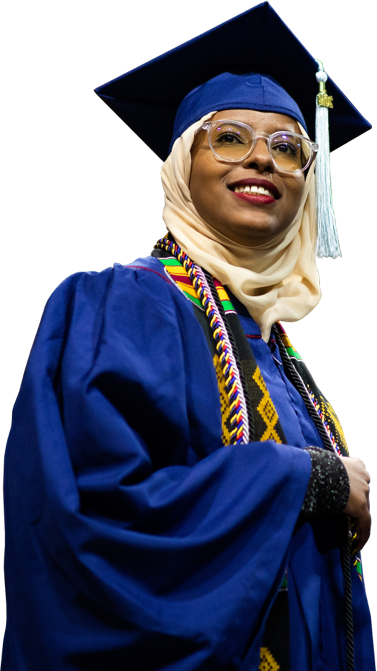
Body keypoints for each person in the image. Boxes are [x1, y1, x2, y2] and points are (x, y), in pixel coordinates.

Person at [2, 3, 373, 670]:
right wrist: (312, 478)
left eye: (289, 148)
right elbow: (93, 508)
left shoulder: (275, 345)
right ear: (181, 164)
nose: (262, 157)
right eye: (229, 137)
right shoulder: (125, 300)